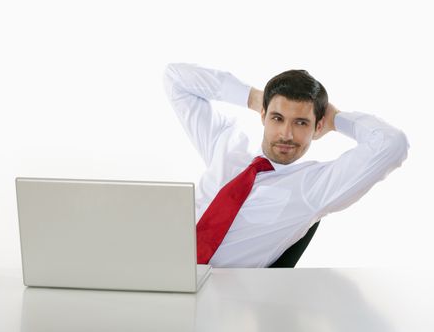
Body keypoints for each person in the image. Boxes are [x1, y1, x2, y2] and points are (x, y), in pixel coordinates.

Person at [163, 63, 409, 268]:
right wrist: (254, 98)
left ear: (318, 127)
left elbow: (393, 144)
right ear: (263, 115)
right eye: (277, 118)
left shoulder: (313, 187)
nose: (286, 134)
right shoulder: (226, 145)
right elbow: (175, 78)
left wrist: (336, 119)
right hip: (158, 262)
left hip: (216, 299)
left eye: (301, 123)